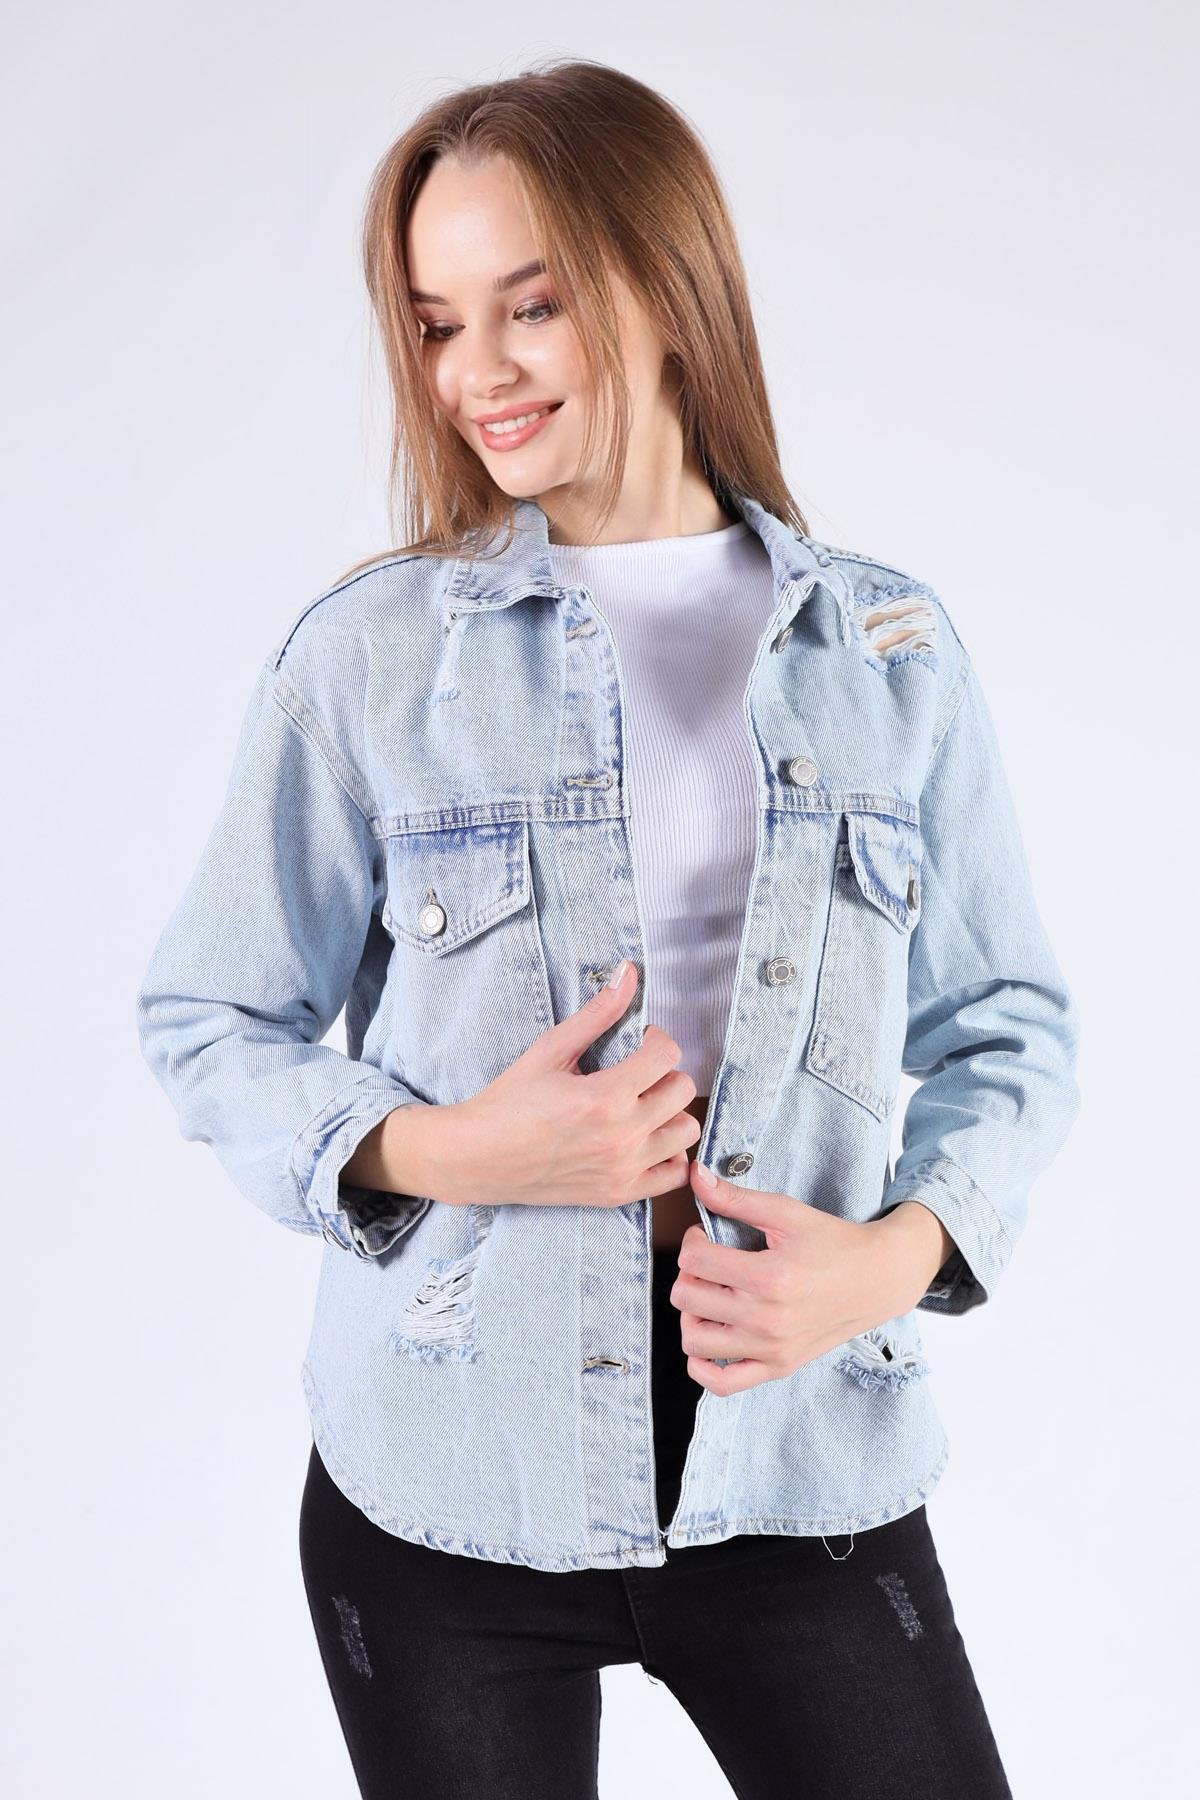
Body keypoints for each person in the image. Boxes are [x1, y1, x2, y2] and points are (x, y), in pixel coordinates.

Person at [135, 57, 1081, 1800]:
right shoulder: (371, 659)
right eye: (436, 325)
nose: (475, 372)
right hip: (446, 1482)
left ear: (662, 280)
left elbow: (1011, 1023)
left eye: (532, 304)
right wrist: (452, 1147)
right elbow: (209, 1017)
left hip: (798, 1461)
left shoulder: (889, 655)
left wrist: (884, 1265)